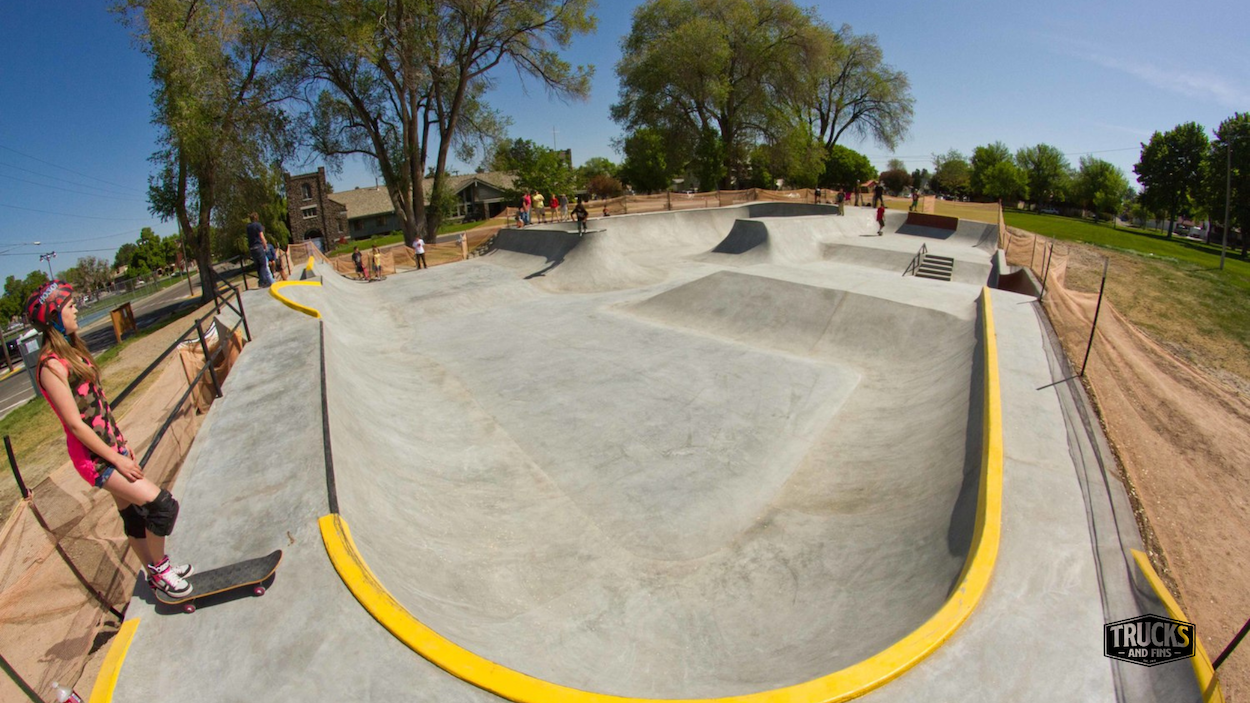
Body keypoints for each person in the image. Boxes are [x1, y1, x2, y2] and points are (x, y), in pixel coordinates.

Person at [25, 281, 194, 597]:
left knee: (133, 515)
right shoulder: (50, 365)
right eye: (69, 305)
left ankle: (154, 572)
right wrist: (115, 458)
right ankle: (161, 569)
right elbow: (75, 425)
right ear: (53, 317)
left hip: (110, 447)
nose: (76, 309)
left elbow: (98, 405)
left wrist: (122, 443)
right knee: (162, 507)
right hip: (94, 458)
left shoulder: (73, 351)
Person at [246, 212, 273, 288]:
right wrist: (265, 245)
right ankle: (263, 282)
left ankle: (261, 281)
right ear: (256, 218)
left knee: (257, 265)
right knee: (263, 264)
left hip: (252, 248)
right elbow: (261, 236)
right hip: (258, 246)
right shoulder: (258, 225)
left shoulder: (248, 227)